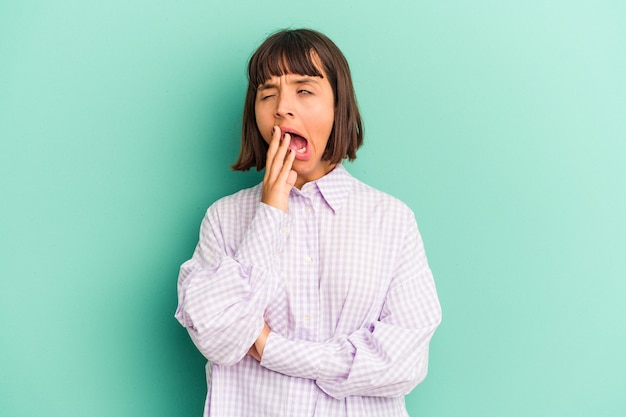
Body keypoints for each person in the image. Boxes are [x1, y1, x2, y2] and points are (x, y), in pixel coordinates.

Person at [175, 28, 442, 417]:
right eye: (267, 95)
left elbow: (404, 362)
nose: (282, 107)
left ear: (339, 106)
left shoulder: (391, 220)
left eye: (304, 90)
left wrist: (272, 349)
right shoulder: (224, 218)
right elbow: (218, 337)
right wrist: (270, 211)